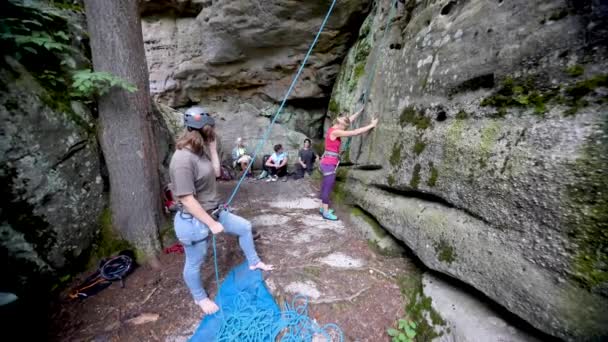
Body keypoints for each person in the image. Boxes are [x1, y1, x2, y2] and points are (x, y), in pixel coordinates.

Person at [169, 106, 273, 315]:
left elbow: (216, 172)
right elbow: (187, 199)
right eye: (211, 128)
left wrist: (213, 148)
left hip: (215, 212)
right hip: (193, 220)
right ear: (203, 129)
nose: (214, 131)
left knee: (245, 227)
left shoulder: (199, 152)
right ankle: (200, 298)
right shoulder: (182, 159)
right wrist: (212, 224)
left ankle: (253, 262)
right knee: (195, 261)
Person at [319, 108, 378, 220]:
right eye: (345, 127)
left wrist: (359, 112)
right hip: (329, 164)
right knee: (327, 187)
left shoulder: (334, 128)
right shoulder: (336, 132)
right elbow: (354, 132)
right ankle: (325, 212)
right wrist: (371, 125)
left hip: (327, 162)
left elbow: (348, 120)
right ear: (341, 125)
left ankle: (323, 208)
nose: (345, 128)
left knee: (326, 185)